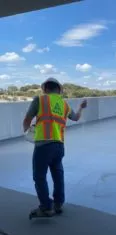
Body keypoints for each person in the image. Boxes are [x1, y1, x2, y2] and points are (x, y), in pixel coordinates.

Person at [22, 77, 87, 217]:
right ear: (59, 90)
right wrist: (81, 107)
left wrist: (27, 132)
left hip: (43, 145)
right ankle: (58, 204)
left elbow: (27, 119)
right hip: (59, 146)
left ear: (45, 89)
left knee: (39, 176)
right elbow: (75, 118)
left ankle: (46, 207)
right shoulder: (64, 104)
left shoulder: (40, 100)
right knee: (58, 175)